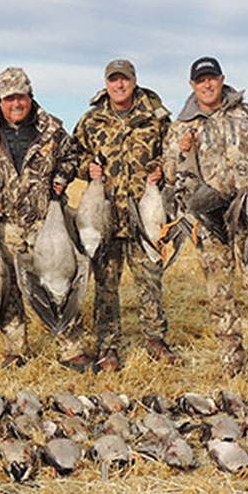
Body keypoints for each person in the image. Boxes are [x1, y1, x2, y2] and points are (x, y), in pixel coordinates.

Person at [0, 66, 88, 371]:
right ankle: (16, 347)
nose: (16, 103)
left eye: (22, 97)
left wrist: (63, 174)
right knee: (6, 287)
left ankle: (71, 348)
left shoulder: (52, 127)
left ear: (31, 96)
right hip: (2, 222)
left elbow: (71, 157)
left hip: (45, 223)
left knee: (60, 282)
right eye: (9, 98)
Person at [161, 56, 248, 383]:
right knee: (220, 293)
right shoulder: (181, 126)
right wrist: (183, 150)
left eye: (212, 78)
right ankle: (232, 361)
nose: (207, 85)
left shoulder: (247, 114)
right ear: (192, 85)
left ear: (221, 79)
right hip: (209, 217)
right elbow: (171, 173)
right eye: (200, 80)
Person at [71, 59, 178, 372]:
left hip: (145, 215)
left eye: (124, 79)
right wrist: (84, 168)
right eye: (113, 80)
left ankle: (155, 339)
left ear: (134, 81)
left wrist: (162, 170)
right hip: (105, 216)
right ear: (106, 83)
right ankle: (108, 347)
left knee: (150, 281)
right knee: (105, 286)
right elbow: (72, 154)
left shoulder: (156, 118)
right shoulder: (91, 120)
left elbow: (173, 155)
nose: (119, 85)